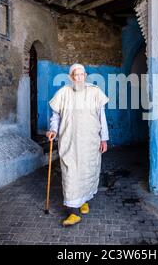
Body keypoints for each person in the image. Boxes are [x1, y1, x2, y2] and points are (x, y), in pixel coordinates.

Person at [46, 63, 109, 226]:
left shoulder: (94, 92)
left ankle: (84, 201)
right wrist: (53, 130)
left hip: (90, 142)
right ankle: (73, 213)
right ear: (70, 77)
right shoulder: (63, 93)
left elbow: (102, 118)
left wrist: (104, 139)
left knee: (87, 172)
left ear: (85, 76)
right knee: (71, 174)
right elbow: (56, 116)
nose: (79, 77)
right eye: (76, 75)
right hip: (69, 142)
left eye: (82, 75)